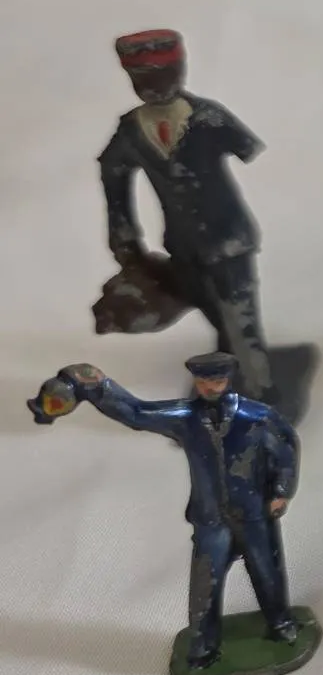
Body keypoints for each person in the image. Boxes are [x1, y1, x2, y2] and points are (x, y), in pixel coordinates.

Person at [58, 352, 303, 669]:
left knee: (268, 573)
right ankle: (203, 643)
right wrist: (97, 387)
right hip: (210, 518)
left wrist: (281, 491)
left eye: (217, 380)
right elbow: (137, 412)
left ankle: (281, 623)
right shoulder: (185, 417)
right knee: (204, 582)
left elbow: (286, 447)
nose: (210, 387)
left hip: (254, 513)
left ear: (229, 379)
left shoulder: (257, 416)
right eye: (203, 381)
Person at [98, 30, 281, 406]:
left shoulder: (209, 118)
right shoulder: (131, 130)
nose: (154, 86)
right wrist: (124, 236)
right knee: (217, 315)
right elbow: (112, 174)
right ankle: (231, 381)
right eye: (143, 78)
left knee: (240, 317)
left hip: (229, 238)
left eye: (163, 75)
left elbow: (246, 147)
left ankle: (261, 395)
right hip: (183, 245)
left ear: (180, 70)